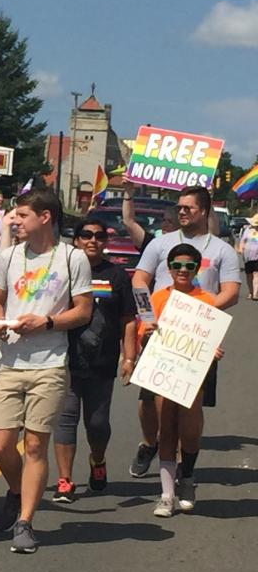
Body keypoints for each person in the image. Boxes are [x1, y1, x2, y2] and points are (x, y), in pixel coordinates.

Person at [0, 187, 93, 553]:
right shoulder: (10, 256)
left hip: (50, 362)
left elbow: (83, 311)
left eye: (22, 215)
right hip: (10, 361)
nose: (14, 221)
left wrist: (46, 322)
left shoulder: (72, 258)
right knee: (1, 445)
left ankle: (25, 522)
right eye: (14, 215)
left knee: (34, 444)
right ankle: (16, 491)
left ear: (44, 218)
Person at [130, 186, 240, 477]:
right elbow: (140, 279)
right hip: (159, 334)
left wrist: (199, 314)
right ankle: (148, 444)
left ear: (203, 211)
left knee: (190, 405)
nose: (181, 212)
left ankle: (185, 464)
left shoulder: (221, 250)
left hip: (197, 335)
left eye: (188, 208)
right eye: (179, 207)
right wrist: (146, 314)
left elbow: (231, 292)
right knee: (149, 402)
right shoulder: (160, 244)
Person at [52, 218, 138, 503]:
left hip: (102, 362)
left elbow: (127, 319)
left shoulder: (116, 276)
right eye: (86, 235)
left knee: (97, 423)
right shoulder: (61, 272)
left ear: (106, 241)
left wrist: (129, 356)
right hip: (64, 359)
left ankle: (97, 461)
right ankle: (65, 480)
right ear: (75, 240)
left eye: (99, 236)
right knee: (65, 420)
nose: (93, 240)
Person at [139, 244, 222, 517]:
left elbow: (210, 339)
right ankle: (166, 494)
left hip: (192, 376)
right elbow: (143, 335)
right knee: (166, 430)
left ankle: (187, 478)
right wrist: (146, 334)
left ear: (197, 269)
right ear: (169, 268)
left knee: (189, 431)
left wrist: (214, 350)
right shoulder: (158, 298)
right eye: (177, 265)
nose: (183, 271)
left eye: (189, 266)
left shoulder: (207, 300)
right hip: (164, 371)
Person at [120, 180, 179, 252]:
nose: (165, 224)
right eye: (164, 220)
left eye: (170, 221)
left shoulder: (186, 247)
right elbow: (128, 222)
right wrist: (128, 192)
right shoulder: (152, 244)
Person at [237, 214, 258, 300]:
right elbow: (243, 241)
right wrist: (241, 248)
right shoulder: (248, 230)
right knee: (249, 275)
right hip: (248, 256)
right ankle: (251, 292)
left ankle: (255, 293)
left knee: (256, 274)